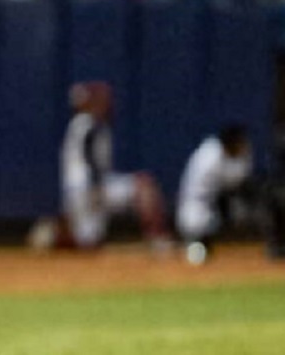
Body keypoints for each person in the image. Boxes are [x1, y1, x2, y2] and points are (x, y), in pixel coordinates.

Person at [47, 80, 171, 251]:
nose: (105, 104)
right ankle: (158, 239)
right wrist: (96, 185)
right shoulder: (87, 123)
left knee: (89, 242)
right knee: (144, 184)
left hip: (79, 192)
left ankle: (54, 234)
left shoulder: (78, 125)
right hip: (92, 188)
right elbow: (89, 157)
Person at [176, 123, 255, 264]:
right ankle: (196, 244)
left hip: (205, 205)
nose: (243, 146)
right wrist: (246, 157)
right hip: (196, 209)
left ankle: (201, 245)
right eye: (240, 142)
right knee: (198, 243)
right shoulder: (212, 158)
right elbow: (238, 180)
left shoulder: (212, 147)